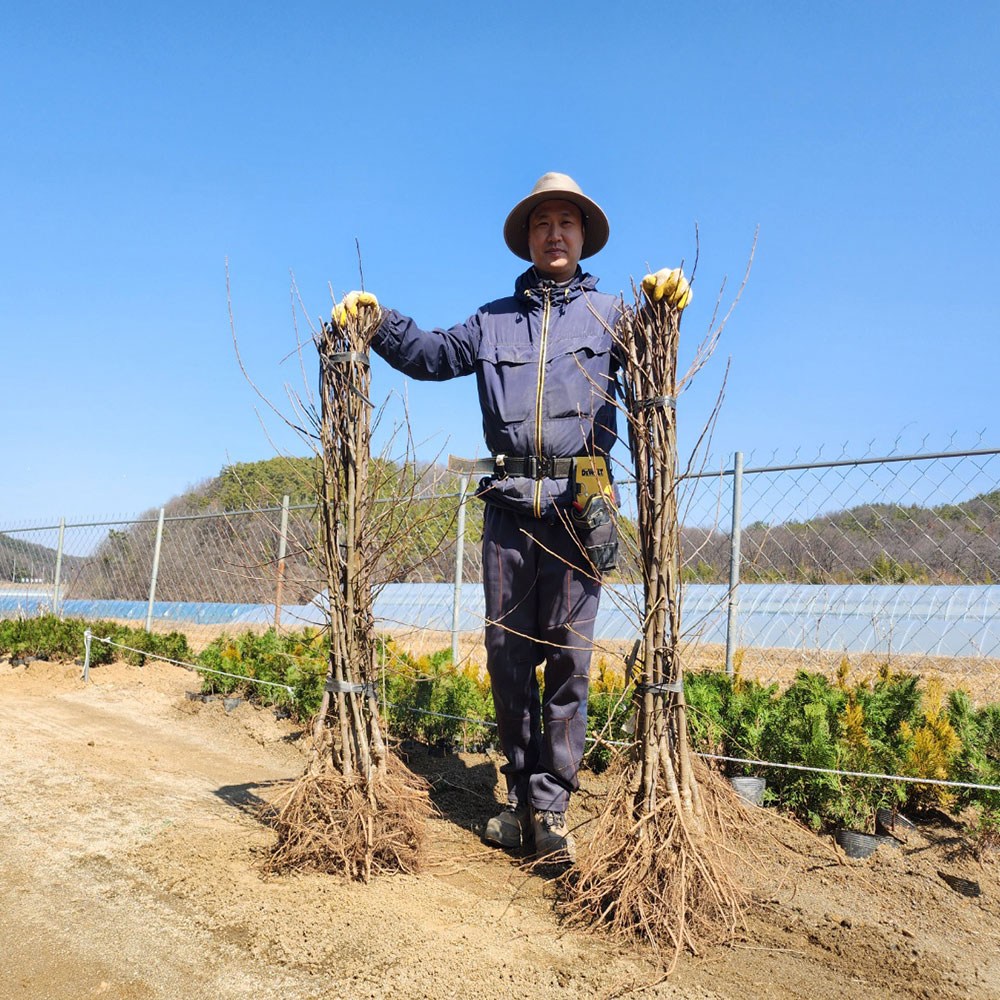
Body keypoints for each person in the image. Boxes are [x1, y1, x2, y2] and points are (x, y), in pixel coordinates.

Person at [332, 172, 690, 860]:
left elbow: (653, 354)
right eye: (541, 224)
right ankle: (520, 800)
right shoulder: (493, 319)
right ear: (527, 240)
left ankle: (552, 811)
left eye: (566, 223)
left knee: (569, 660)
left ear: (583, 237)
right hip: (508, 500)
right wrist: (380, 322)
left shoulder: (613, 314)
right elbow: (433, 356)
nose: (554, 234)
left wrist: (664, 306)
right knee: (507, 657)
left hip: (584, 494)